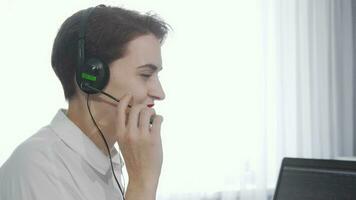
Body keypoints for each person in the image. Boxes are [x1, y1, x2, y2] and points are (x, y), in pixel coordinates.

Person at [0, 4, 169, 200]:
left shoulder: (107, 165)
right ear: (92, 75)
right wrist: (142, 186)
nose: (160, 93)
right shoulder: (38, 168)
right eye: (146, 74)